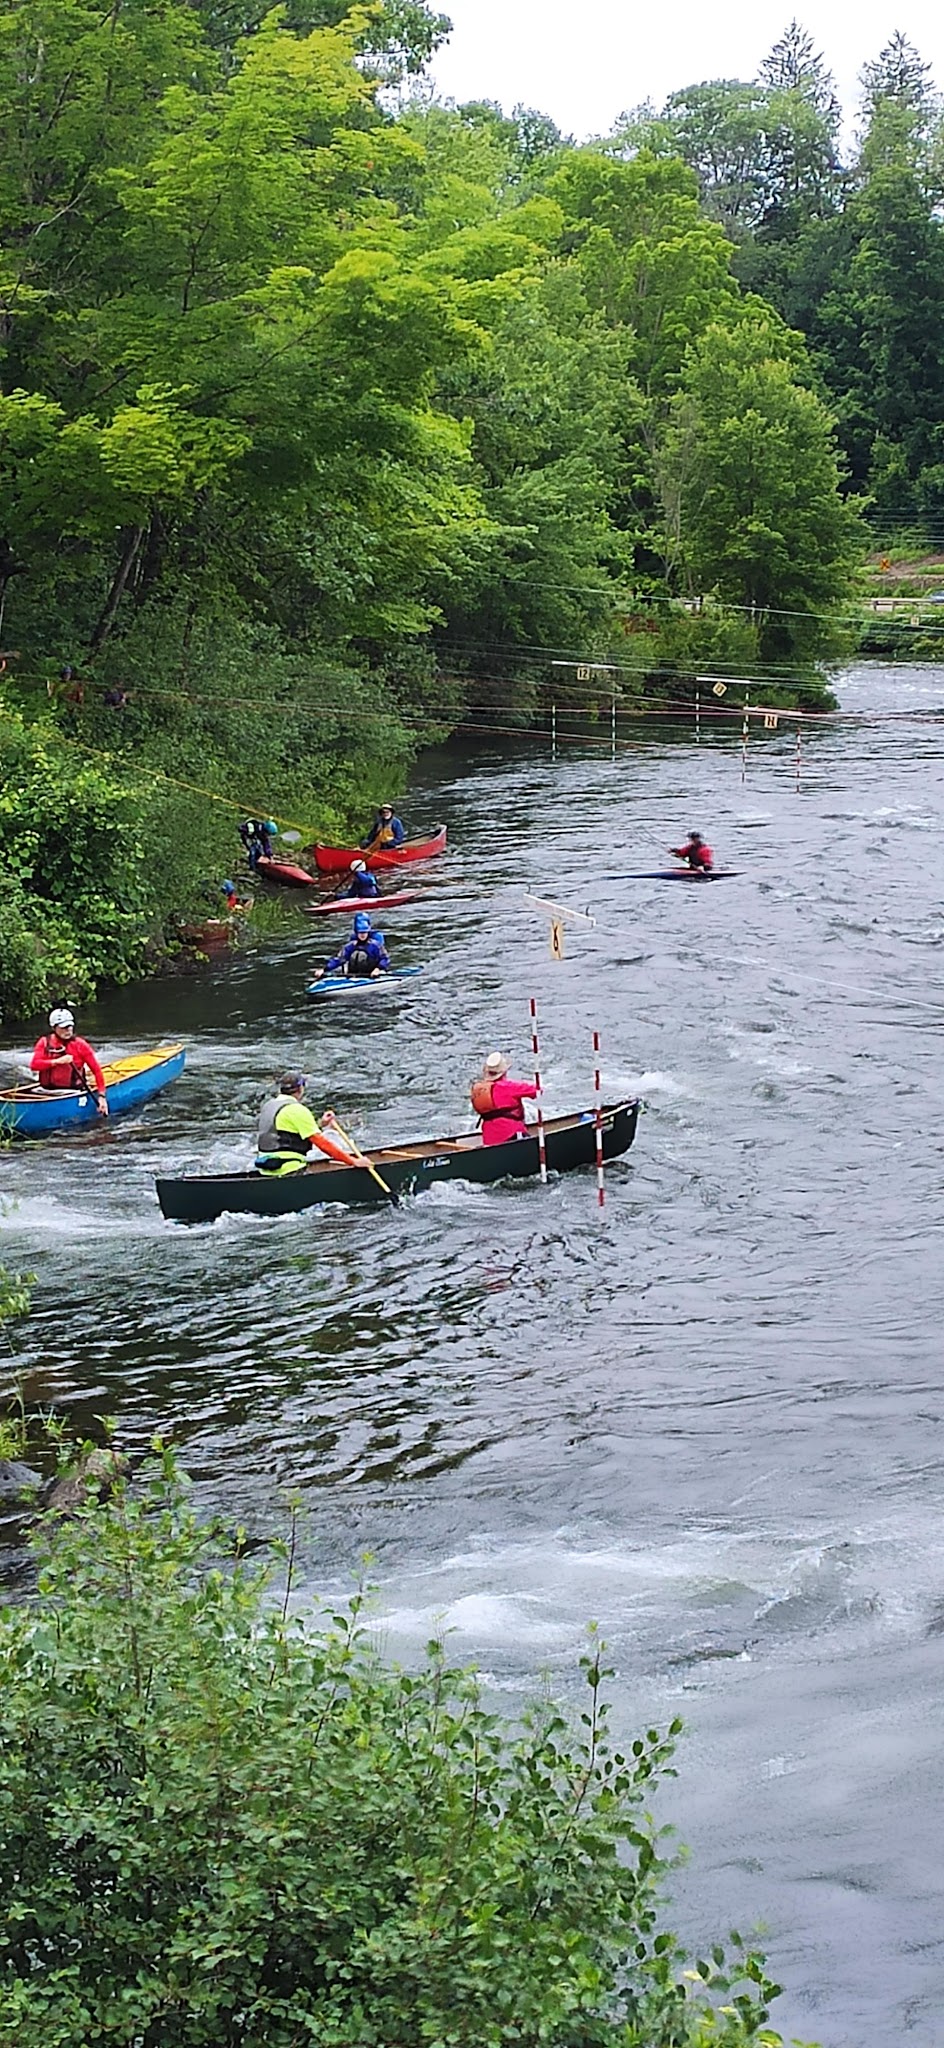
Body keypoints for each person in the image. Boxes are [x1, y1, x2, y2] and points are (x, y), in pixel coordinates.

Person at [255, 1074, 352, 1176]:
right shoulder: (297, 1109)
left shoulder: (268, 1106)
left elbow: (288, 1130)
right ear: (301, 1089)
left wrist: (321, 1124)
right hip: (288, 1169)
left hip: (265, 1169)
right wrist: (352, 1161)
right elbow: (322, 1144)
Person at [30, 1008, 109, 1116]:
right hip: (46, 1090)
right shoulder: (44, 1042)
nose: (68, 1030)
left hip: (71, 1091)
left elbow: (97, 1071)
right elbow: (34, 1065)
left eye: (70, 1026)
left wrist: (102, 1097)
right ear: (54, 1028)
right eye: (63, 1027)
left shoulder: (80, 1045)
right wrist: (57, 1061)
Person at [469, 1052, 537, 1147]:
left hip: (489, 1139)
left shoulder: (479, 1089)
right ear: (504, 1071)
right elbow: (537, 1091)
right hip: (512, 1135)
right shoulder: (510, 1087)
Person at [324, 911, 391, 978]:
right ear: (356, 933)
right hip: (353, 976)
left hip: (372, 976)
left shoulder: (375, 945)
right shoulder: (350, 946)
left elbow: (385, 959)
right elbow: (339, 959)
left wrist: (378, 969)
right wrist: (325, 969)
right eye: (360, 933)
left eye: (365, 932)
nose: (363, 935)